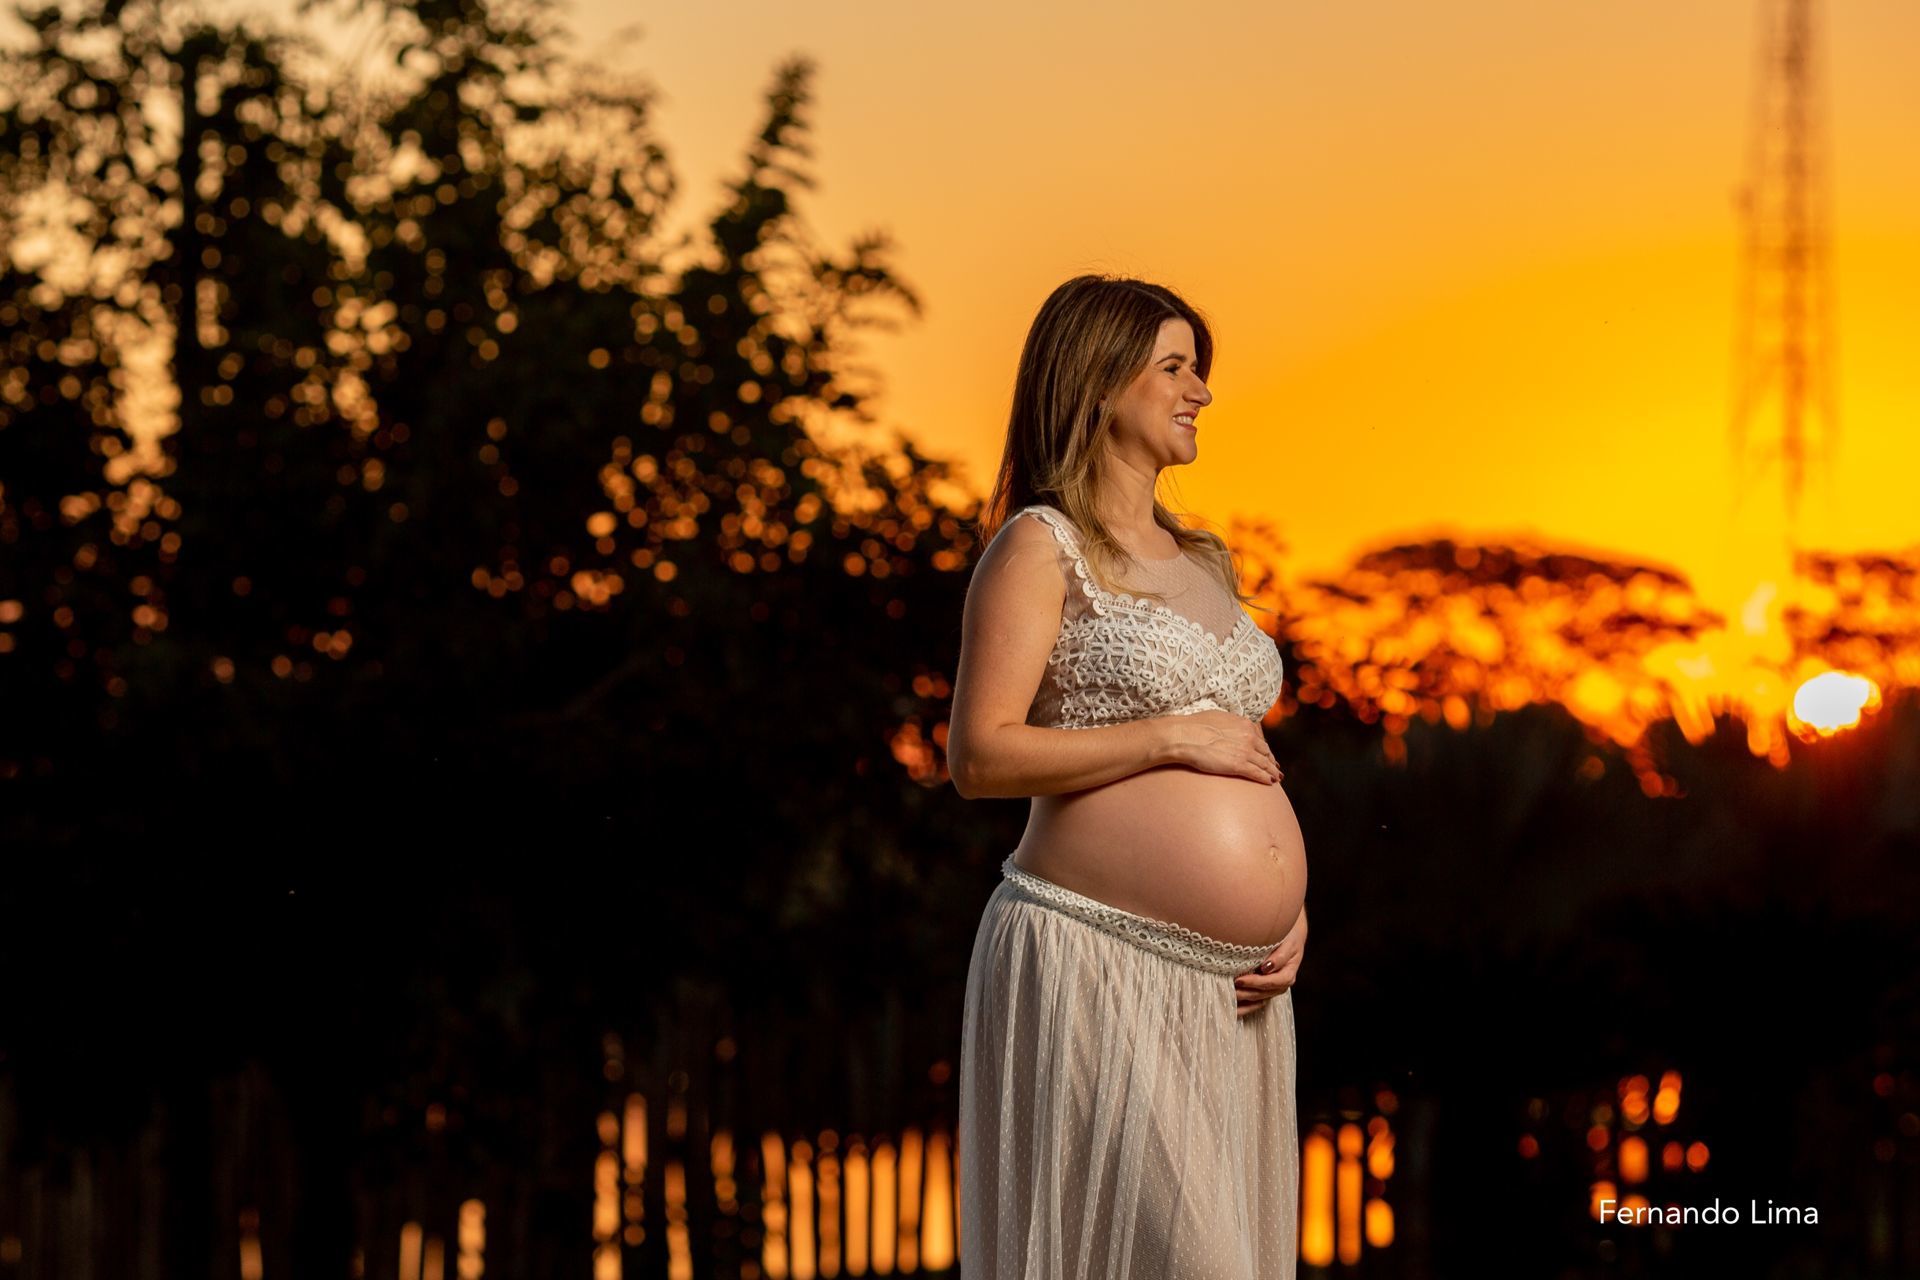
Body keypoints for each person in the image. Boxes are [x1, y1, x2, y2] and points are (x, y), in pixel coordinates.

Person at [947, 274, 1308, 1278]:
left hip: (1237, 985)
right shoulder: (1040, 545)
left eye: (1200, 369)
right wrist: (1164, 739)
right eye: (1175, 366)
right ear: (1100, 382)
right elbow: (979, 755)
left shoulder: (1208, 559)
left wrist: (1289, 902)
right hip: (1092, 956)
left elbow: (1241, 750)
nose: (1201, 391)